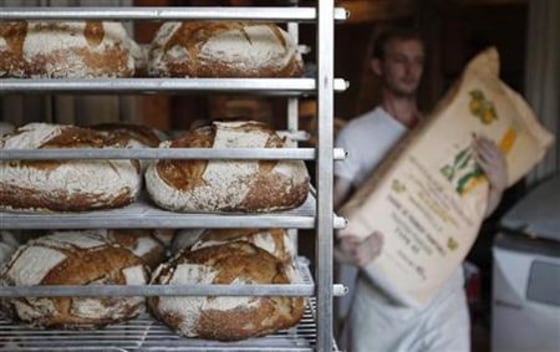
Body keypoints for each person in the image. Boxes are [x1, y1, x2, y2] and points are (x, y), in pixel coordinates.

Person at [333, 28, 508, 351]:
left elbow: (471, 213)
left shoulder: (441, 132)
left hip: (444, 298)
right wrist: (346, 251)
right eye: (400, 60)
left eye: (417, 61)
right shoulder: (355, 135)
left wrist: (497, 184)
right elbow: (330, 224)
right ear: (377, 66)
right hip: (383, 303)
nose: (410, 69)